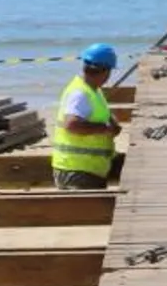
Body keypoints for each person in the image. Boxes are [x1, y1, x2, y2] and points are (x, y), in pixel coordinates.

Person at [51, 44, 122, 191]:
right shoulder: (80, 93)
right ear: (106, 71)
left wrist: (112, 123)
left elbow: (99, 116)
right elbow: (71, 124)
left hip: (88, 169)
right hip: (77, 170)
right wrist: (104, 129)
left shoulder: (93, 91)